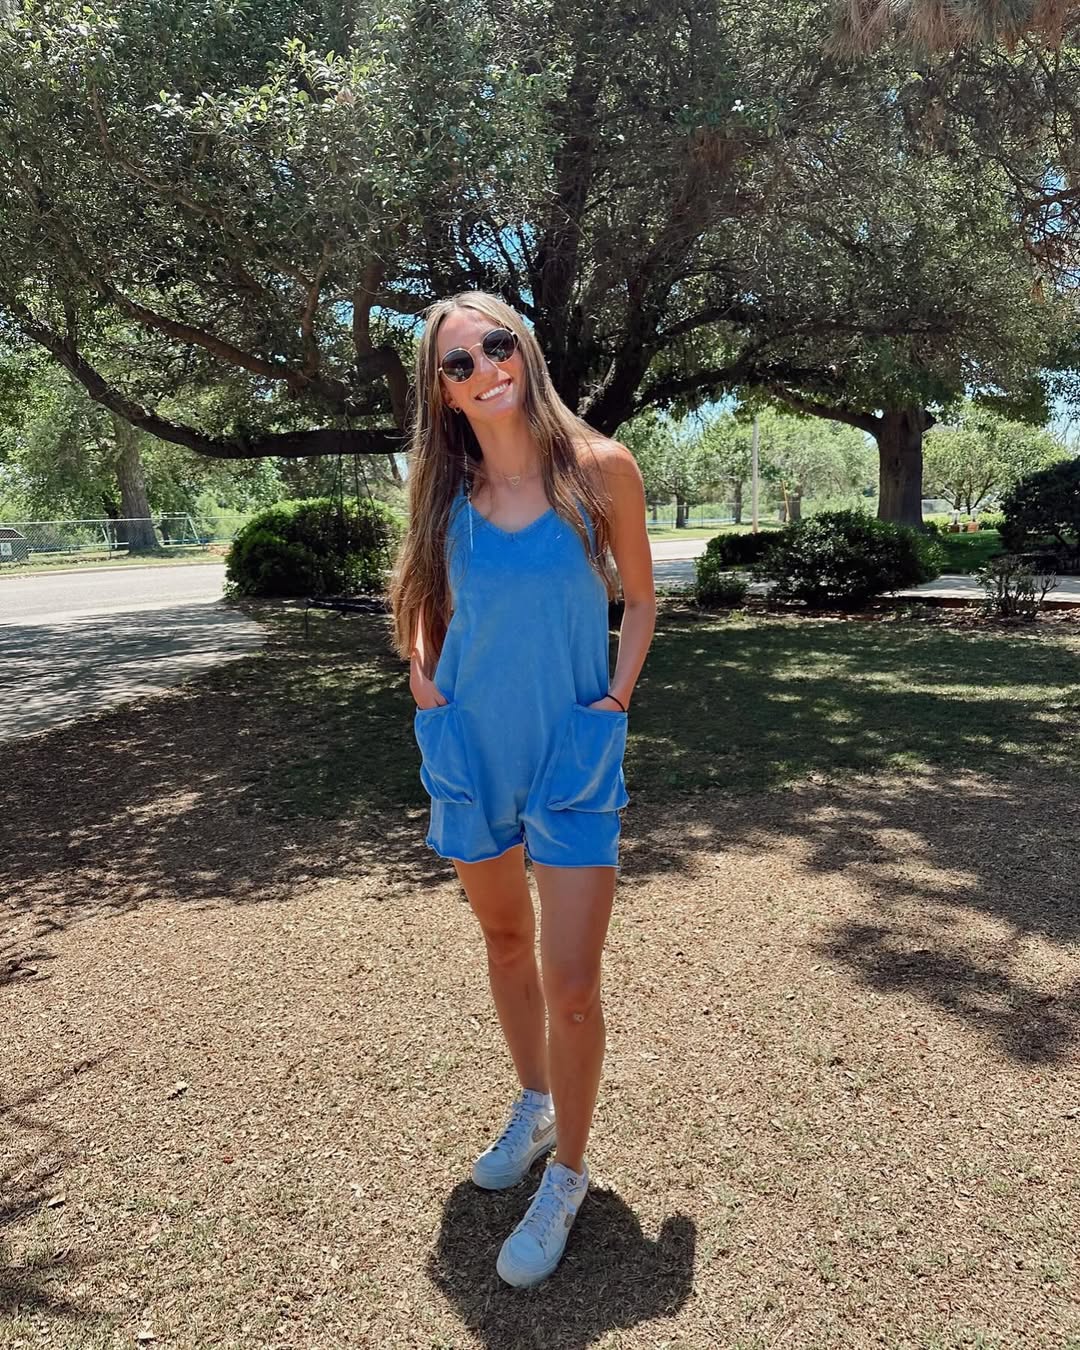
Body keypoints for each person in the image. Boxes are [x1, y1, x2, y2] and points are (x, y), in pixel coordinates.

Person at [389, 291, 656, 1288]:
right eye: (459, 364)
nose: (485, 369)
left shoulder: (600, 468)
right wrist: (423, 669)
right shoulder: (443, 491)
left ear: (525, 349)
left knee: (573, 983)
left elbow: (640, 599)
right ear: (444, 393)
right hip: (471, 748)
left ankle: (567, 1176)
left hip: (572, 752)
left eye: (496, 345)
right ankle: (535, 1105)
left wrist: (616, 697)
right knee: (506, 943)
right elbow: (426, 598)